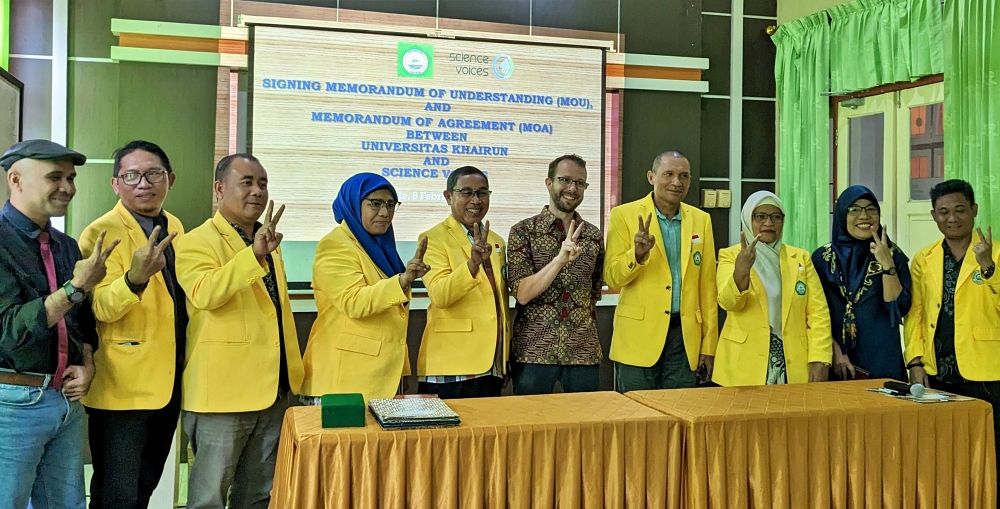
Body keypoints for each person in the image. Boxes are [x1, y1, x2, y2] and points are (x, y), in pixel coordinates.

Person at [174, 153, 303, 509]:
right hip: (222, 396)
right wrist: (255, 257)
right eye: (247, 182)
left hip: (273, 392)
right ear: (219, 188)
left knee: (260, 496)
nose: (257, 191)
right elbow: (206, 293)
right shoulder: (196, 240)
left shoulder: (267, 244)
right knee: (209, 498)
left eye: (262, 183)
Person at [0, 139, 118, 508]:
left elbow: (81, 320)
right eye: (55, 177)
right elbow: (9, 331)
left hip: (65, 404)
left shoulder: (65, 245)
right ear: (15, 179)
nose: (68, 187)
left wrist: (87, 364)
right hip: (12, 404)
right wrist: (76, 285)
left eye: (71, 177)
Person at [79, 141, 186, 509]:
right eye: (132, 175)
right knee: (116, 496)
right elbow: (99, 308)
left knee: (143, 489)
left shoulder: (174, 225)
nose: (144, 183)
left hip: (168, 384)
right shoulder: (100, 233)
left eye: (154, 173)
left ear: (169, 179)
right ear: (115, 183)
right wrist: (133, 280)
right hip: (122, 389)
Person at [905, 179, 1000, 489]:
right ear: (934, 216)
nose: (952, 218)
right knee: (947, 452)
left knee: (990, 450)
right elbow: (915, 313)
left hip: (986, 369)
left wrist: (988, 268)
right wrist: (915, 361)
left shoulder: (995, 252)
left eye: (960, 210)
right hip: (938, 370)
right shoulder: (923, 257)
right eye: (944, 212)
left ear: (973, 210)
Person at [300, 173, 429, 403]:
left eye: (391, 205)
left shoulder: (380, 247)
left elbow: (392, 317)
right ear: (352, 203)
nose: (385, 212)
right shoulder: (335, 245)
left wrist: (401, 370)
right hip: (343, 384)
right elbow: (354, 302)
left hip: (380, 380)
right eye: (375, 203)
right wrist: (402, 280)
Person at [603, 151, 717, 392]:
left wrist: (708, 345)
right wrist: (637, 255)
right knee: (636, 419)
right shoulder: (624, 215)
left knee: (679, 415)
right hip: (637, 338)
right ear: (651, 177)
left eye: (683, 176)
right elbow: (612, 276)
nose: (677, 182)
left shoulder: (701, 220)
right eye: (669, 174)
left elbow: (707, 288)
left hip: (684, 339)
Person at [506, 155, 604, 394]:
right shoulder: (523, 232)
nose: (572, 188)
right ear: (549, 183)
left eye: (580, 183)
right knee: (530, 428)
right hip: (533, 352)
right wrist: (560, 260)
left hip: (583, 351)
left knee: (584, 429)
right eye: (565, 180)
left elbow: (593, 293)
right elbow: (522, 294)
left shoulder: (594, 236)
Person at [714, 190, 832, 386]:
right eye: (760, 216)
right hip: (743, 364)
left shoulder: (800, 258)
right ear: (747, 219)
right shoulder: (731, 255)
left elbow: (818, 312)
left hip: (793, 362)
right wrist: (741, 271)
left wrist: (820, 358)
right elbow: (729, 303)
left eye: (776, 217)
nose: (768, 223)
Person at [417, 166, 509, 398]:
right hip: (451, 365)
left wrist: (504, 358)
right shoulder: (433, 239)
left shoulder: (496, 241)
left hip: (491, 365)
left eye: (482, 193)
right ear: (448, 196)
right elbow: (440, 295)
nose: (476, 200)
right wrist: (472, 264)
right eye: (466, 192)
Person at [812, 185, 911, 381]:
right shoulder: (822, 258)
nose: (864, 216)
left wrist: (887, 265)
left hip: (881, 360)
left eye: (871, 209)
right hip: (835, 359)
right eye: (854, 209)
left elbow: (899, 307)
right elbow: (811, 313)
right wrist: (834, 352)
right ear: (842, 214)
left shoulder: (893, 254)